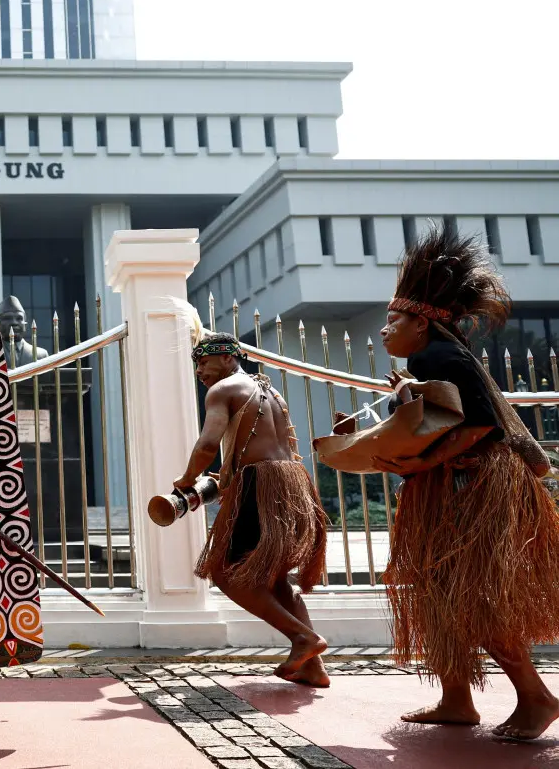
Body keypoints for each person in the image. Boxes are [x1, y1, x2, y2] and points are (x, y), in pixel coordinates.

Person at [370, 226, 559, 740]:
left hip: (472, 488)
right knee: (440, 591)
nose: (385, 330)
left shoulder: (439, 356)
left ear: (423, 323)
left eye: (394, 320)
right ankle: (457, 699)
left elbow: (480, 427)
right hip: (454, 487)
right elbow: (444, 416)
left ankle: (537, 698)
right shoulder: (427, 361)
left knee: (472, 595)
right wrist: (408, 396)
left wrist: (418, 466)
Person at [174, 333, 330, 687]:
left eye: (203, 361)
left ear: (228, 358)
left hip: (259, 484)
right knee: (275, 580)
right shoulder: (266, 389)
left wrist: (186, 479)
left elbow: (208, 443)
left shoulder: (223, 389)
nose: (199, 370)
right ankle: (312, 667)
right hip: (292, 482)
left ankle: (303, 639)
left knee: (226, 573)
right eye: (196, 363)